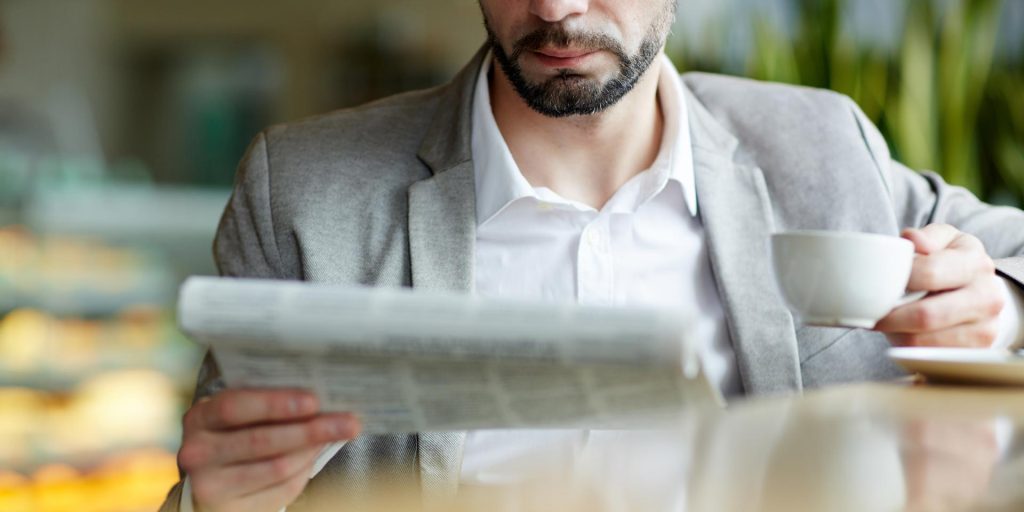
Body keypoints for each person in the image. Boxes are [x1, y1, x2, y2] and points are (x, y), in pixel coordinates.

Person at [161, 1, 1024, 511]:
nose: (555, 9)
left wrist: (997, 307)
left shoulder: (820, 142)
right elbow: (208, 490)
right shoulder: (301, 191)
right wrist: (218, 504)